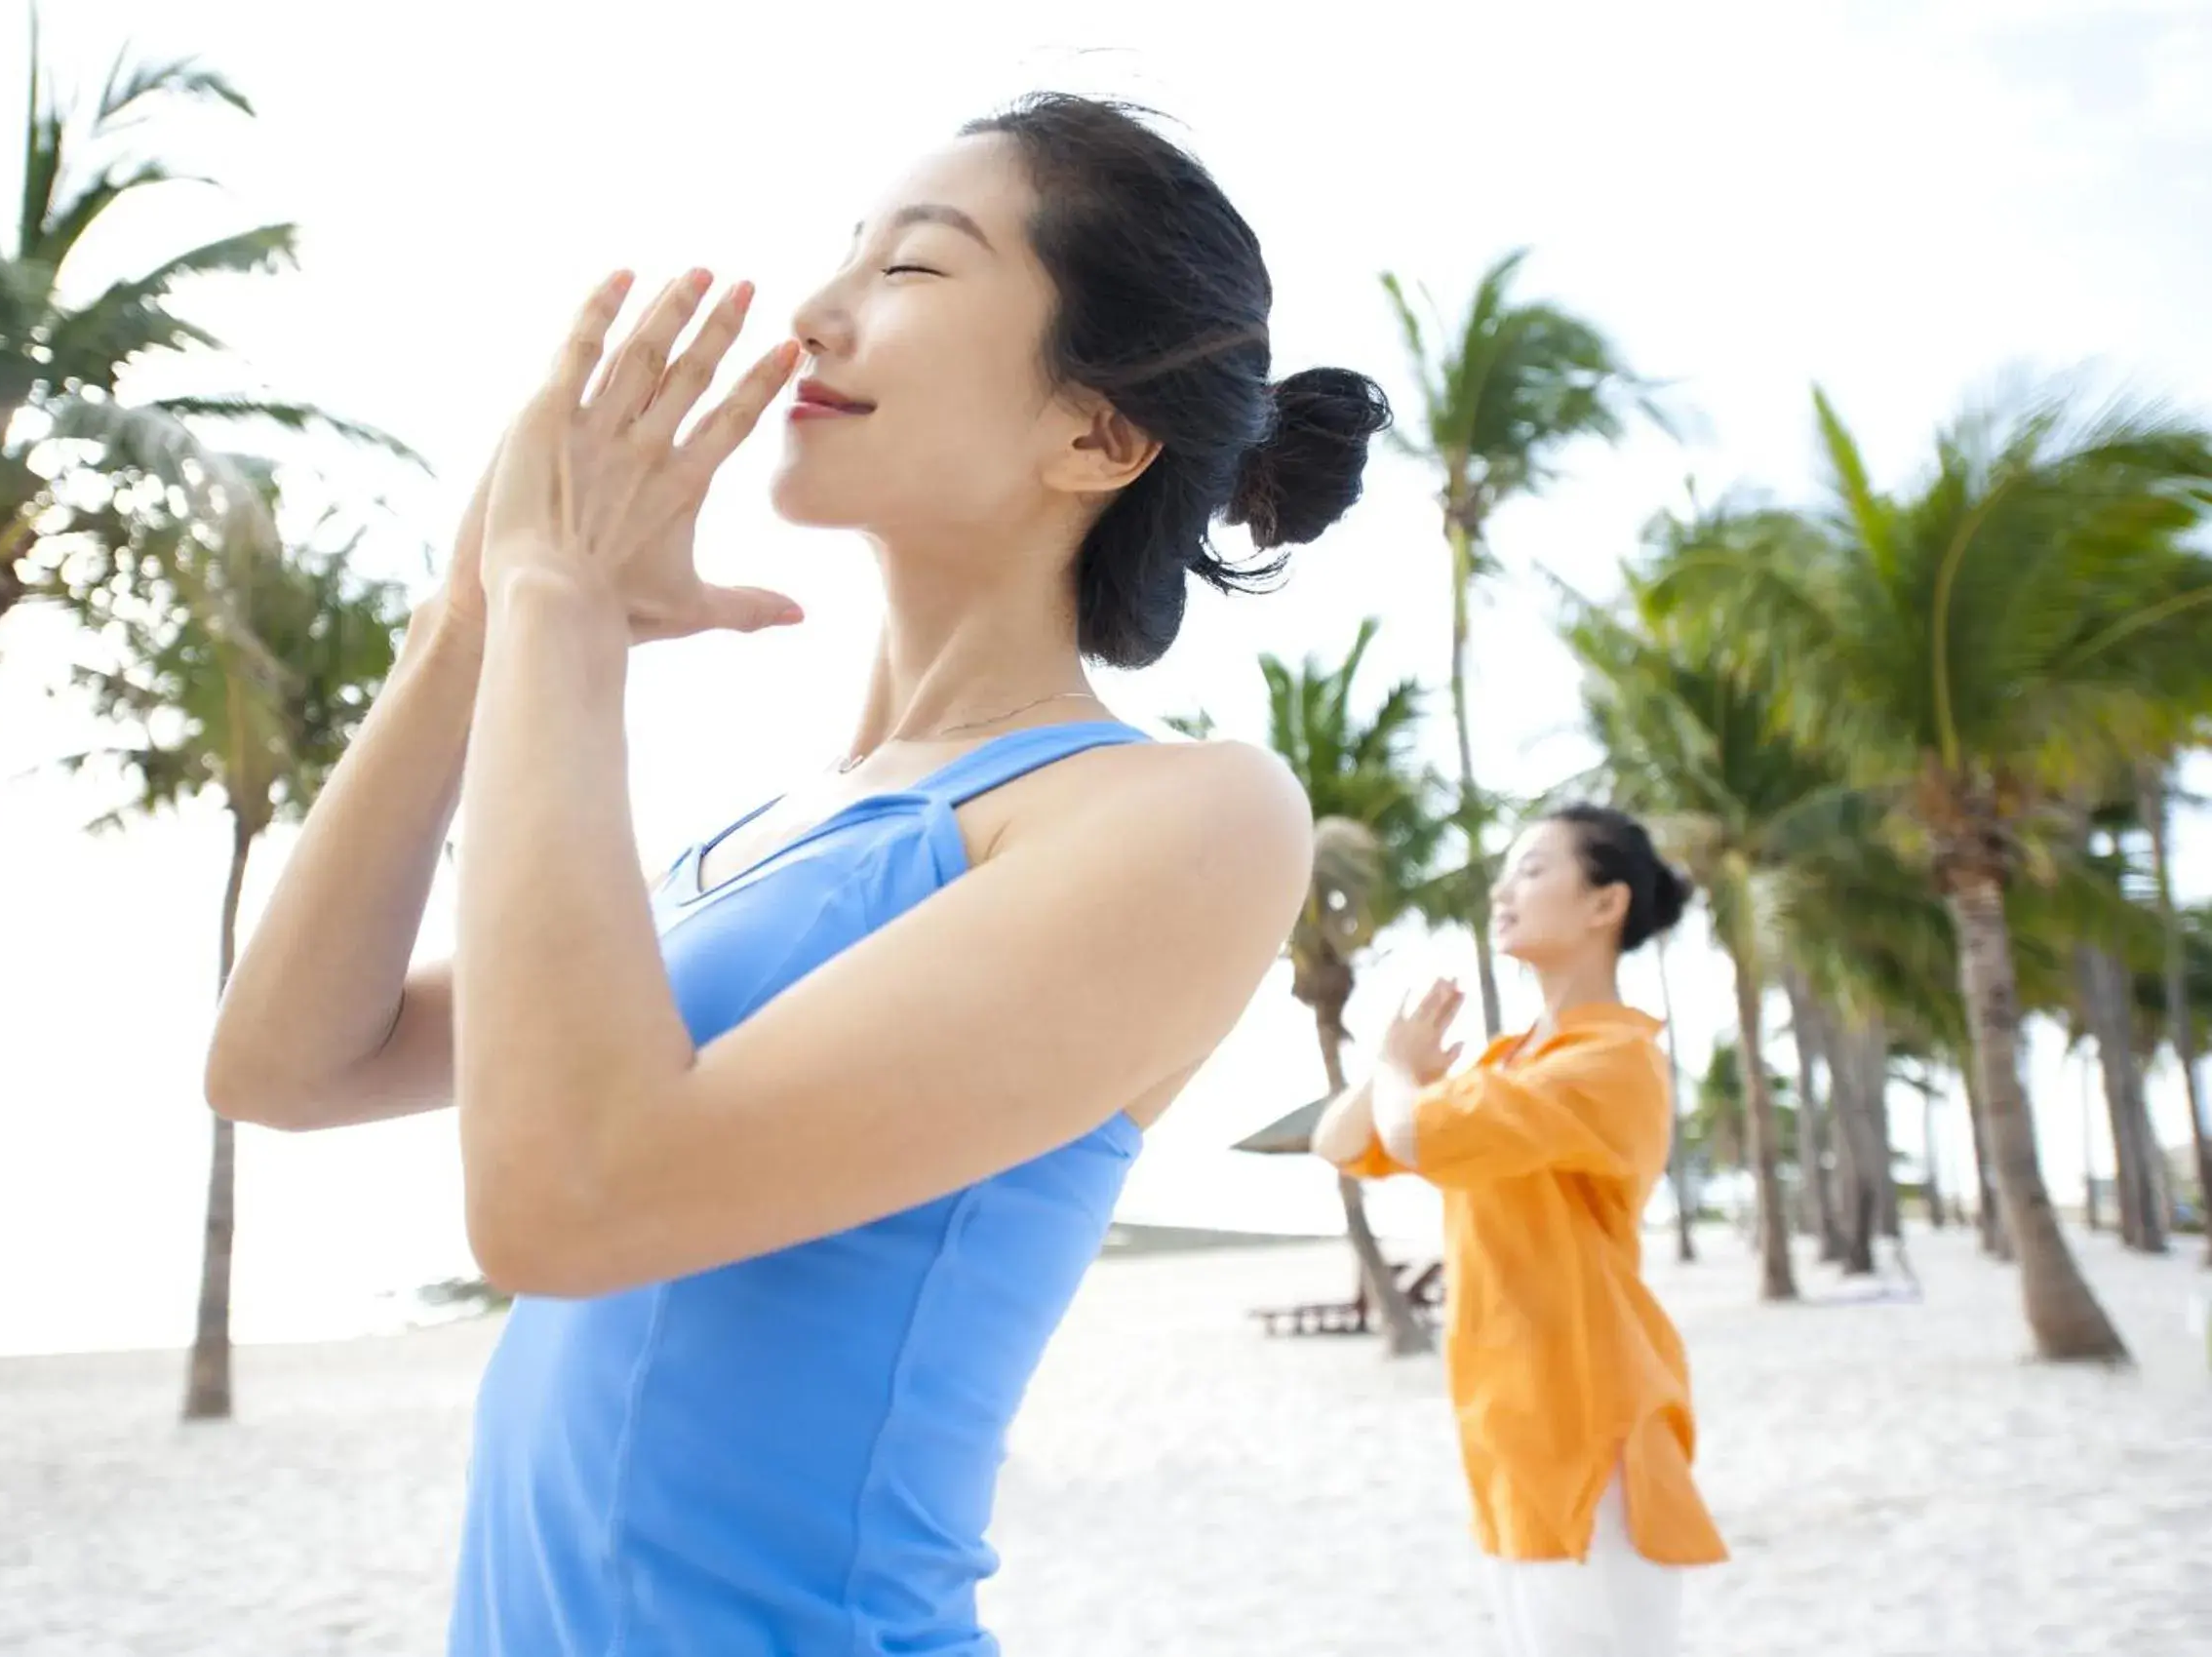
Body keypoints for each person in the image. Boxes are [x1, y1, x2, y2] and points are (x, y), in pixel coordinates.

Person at [206, 94, 1391, 1654]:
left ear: (1094, 432)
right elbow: (285, 1058)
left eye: (910, 269)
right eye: (842, 252)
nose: (816, 312)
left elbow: (568, 1199)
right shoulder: (755, 839)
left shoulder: (1186, 814)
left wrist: (563, 608)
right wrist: (472, 621)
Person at [1313, 804, 1729, 1657]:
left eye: (1533, 868)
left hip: (1591, 1426)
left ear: (1603, 904)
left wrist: (1401, 1072)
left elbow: (1412, 1133)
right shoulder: (1510, 1059)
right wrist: (1397, 1069)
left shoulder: (1610, 1059)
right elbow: (1342, 1141)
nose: (1503, 888)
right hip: (1507, 1424)